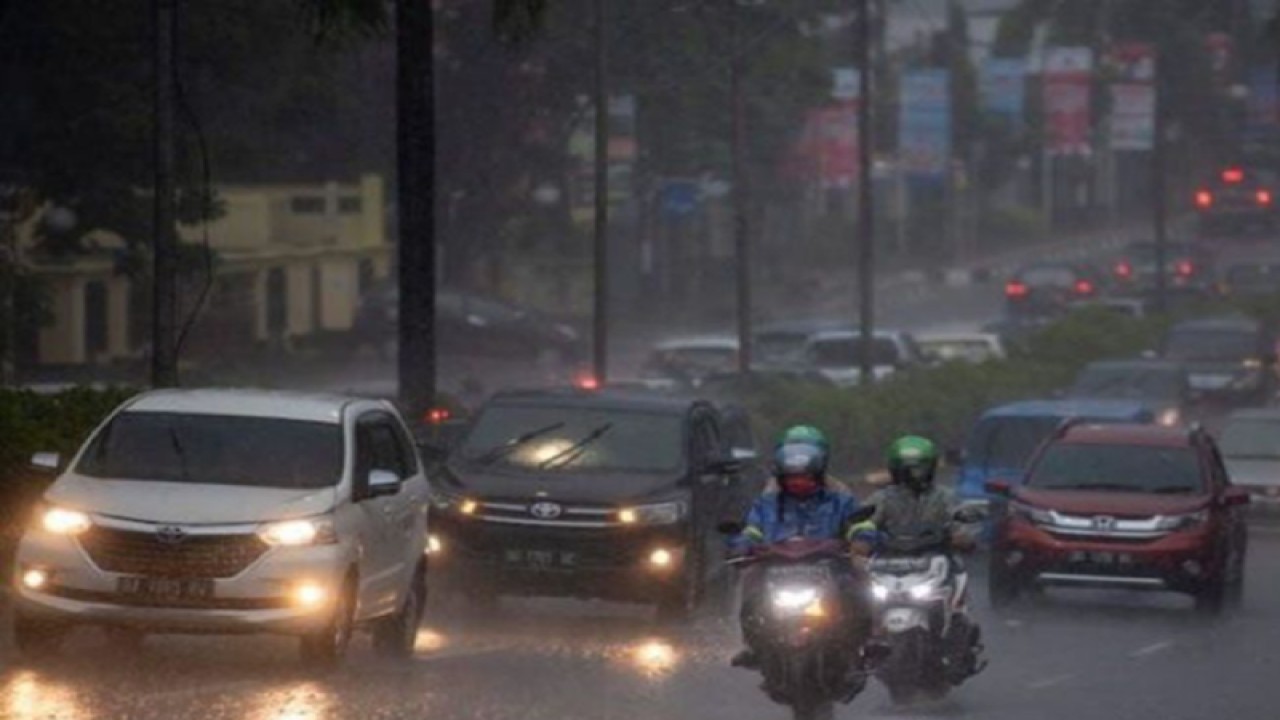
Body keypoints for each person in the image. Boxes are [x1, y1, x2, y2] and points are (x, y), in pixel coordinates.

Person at [731, 441, 876, 670]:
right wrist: (742, 546)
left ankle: (869, 639)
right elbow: (752, 529)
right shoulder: (766, 504)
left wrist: (861, 540)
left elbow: (860, 524)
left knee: (859, 582)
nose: (798, 484)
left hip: (829, 565)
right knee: (749, 583)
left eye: (805, 478)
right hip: (775, 566)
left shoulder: (839, 500)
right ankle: (752, 645)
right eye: (792, 479)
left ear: (818, 477)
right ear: (780, 479)